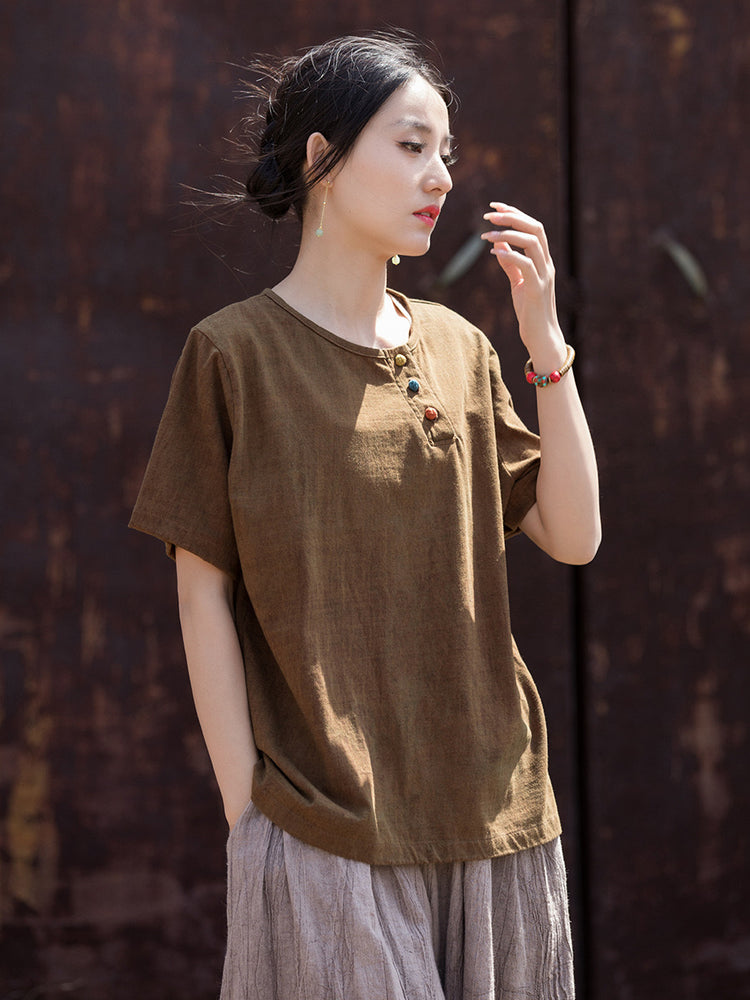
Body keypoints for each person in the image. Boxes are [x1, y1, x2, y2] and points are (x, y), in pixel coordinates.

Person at [130, 30, 600, 1000]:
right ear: (322, 159)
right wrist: (248, 814)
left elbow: (574, 533)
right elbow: (200, 594)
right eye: (412, 145)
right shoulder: (232, 355)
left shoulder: (461, 347)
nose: (441, 177)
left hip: (496, 814)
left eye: (446, 153)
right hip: (323, 829)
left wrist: (546, 343)